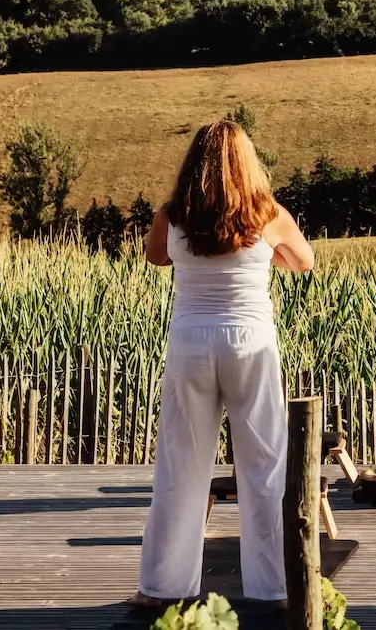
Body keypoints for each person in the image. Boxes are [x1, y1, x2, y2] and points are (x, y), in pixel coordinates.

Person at [128, 120, 315, 609]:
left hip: (191, 341)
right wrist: (264, 254)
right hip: (250, 341)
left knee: (181, 466)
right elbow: (303, 262)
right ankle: (273, 588)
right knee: (264, 465)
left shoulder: (173, 214)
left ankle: (162, 588)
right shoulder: (266, 213)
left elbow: (155, 259)